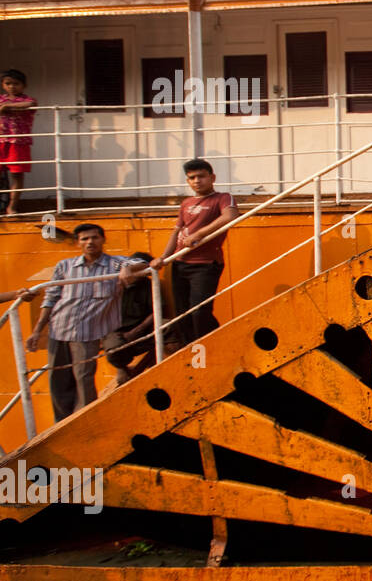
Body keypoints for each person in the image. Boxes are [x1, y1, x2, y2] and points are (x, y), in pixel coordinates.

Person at [25, 223, 148, 421]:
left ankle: (85, 421)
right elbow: (51, 299)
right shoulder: (64, 266)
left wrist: (128, 268)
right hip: (59, 329)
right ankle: (62, 425)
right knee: (58, 381)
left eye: (94, 237)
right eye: (84, 239)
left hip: (87, 332)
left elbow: (143, 262)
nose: (90, 242)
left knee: (84, 379)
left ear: (103, 240)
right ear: (77, 243)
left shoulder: (114, 264)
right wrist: (38, 330)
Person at [150, 159, 238, 344]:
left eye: (201, 176)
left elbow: (230, 216)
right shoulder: (186, 203)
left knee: (199, 311)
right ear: (187, 181)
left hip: (205, 265)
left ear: (212, 177)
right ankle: (191, 352)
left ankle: (209, 347)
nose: (197, 181)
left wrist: (199, 234)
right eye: (192, 178)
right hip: (180, 262)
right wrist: (164, 258)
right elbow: (177, 231)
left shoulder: (222, 198)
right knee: (183, 314)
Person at [102, 251, 159, 384]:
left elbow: (156, 311)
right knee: (113, 347)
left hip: (144, 328)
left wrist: (136, 331)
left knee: (171, 328)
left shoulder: (149, 285)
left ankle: (159, 364)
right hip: (117, 332)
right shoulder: (113, 286)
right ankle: (121, 368)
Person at [0, 69, 37, 216]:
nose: (12, 87)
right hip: (1, 140)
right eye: (8, 83)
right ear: (3, 85)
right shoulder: (1, 99)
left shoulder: (26, 100)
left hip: (18, 142)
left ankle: (12, 207)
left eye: (16, 84)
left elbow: (30, 103)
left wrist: (8, 106)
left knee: (17, 175)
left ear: (24, 85)